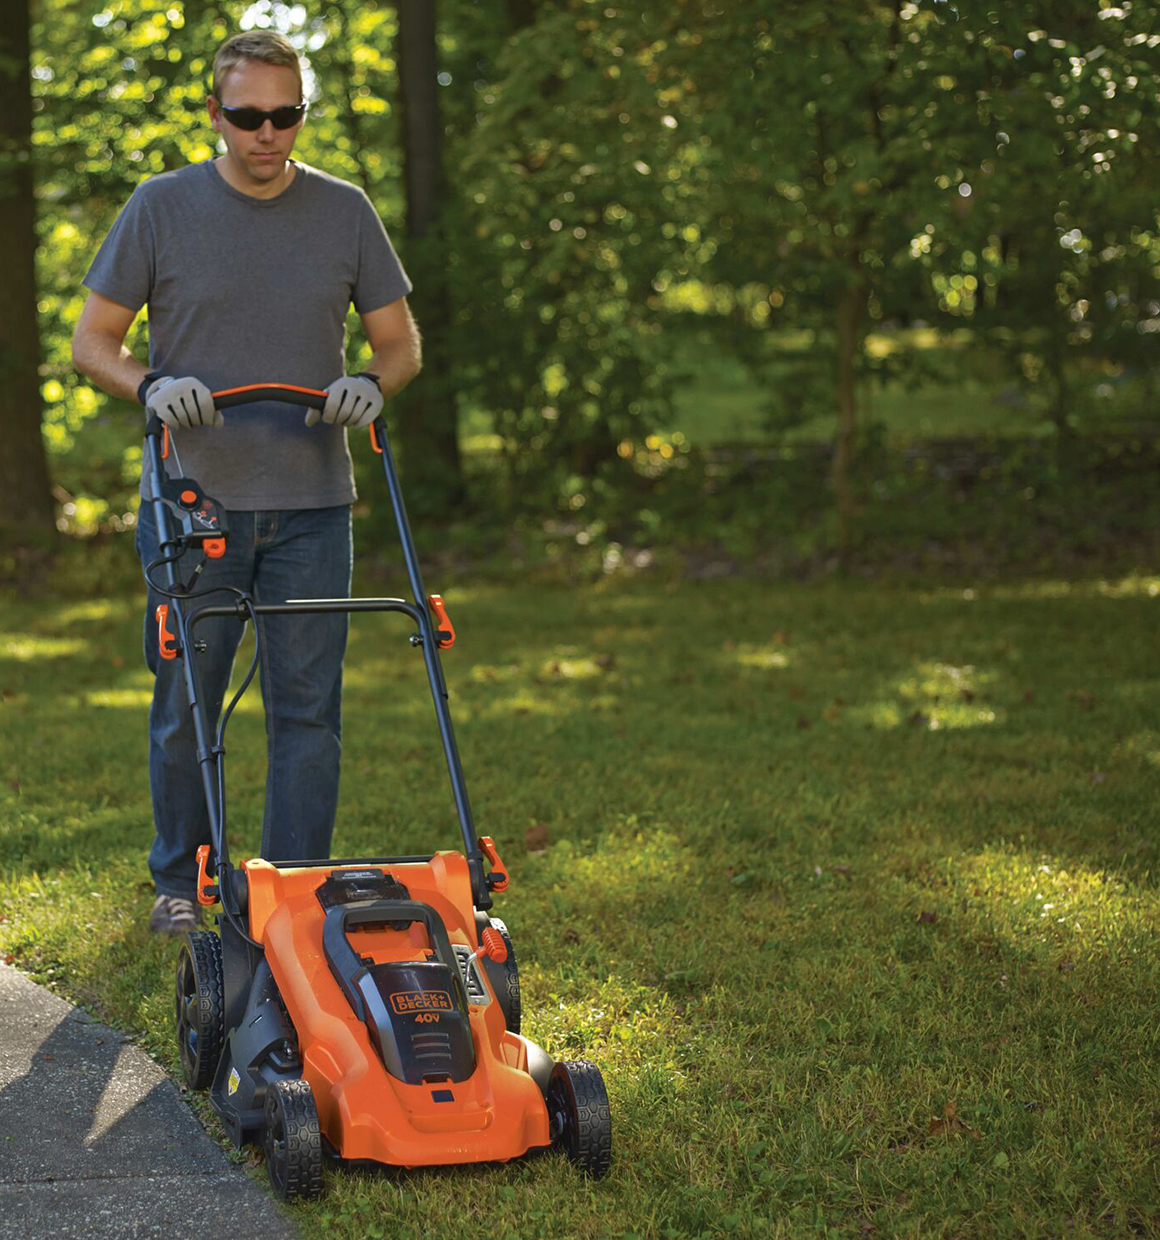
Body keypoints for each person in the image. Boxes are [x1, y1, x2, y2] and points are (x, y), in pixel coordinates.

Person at [71, 30, 421, 933]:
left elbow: (400, 344)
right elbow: (91, 343)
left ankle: (293, 889)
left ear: (302, 111)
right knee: (189, 706)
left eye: (286, 115)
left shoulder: (345, 212)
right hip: (196, 502)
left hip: (313, 507)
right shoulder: (160, 208)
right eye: (249, 117)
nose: (269, 134)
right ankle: (182, 886)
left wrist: (371, 385)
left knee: (309, 709)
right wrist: (152, 384)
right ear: (216, 115)